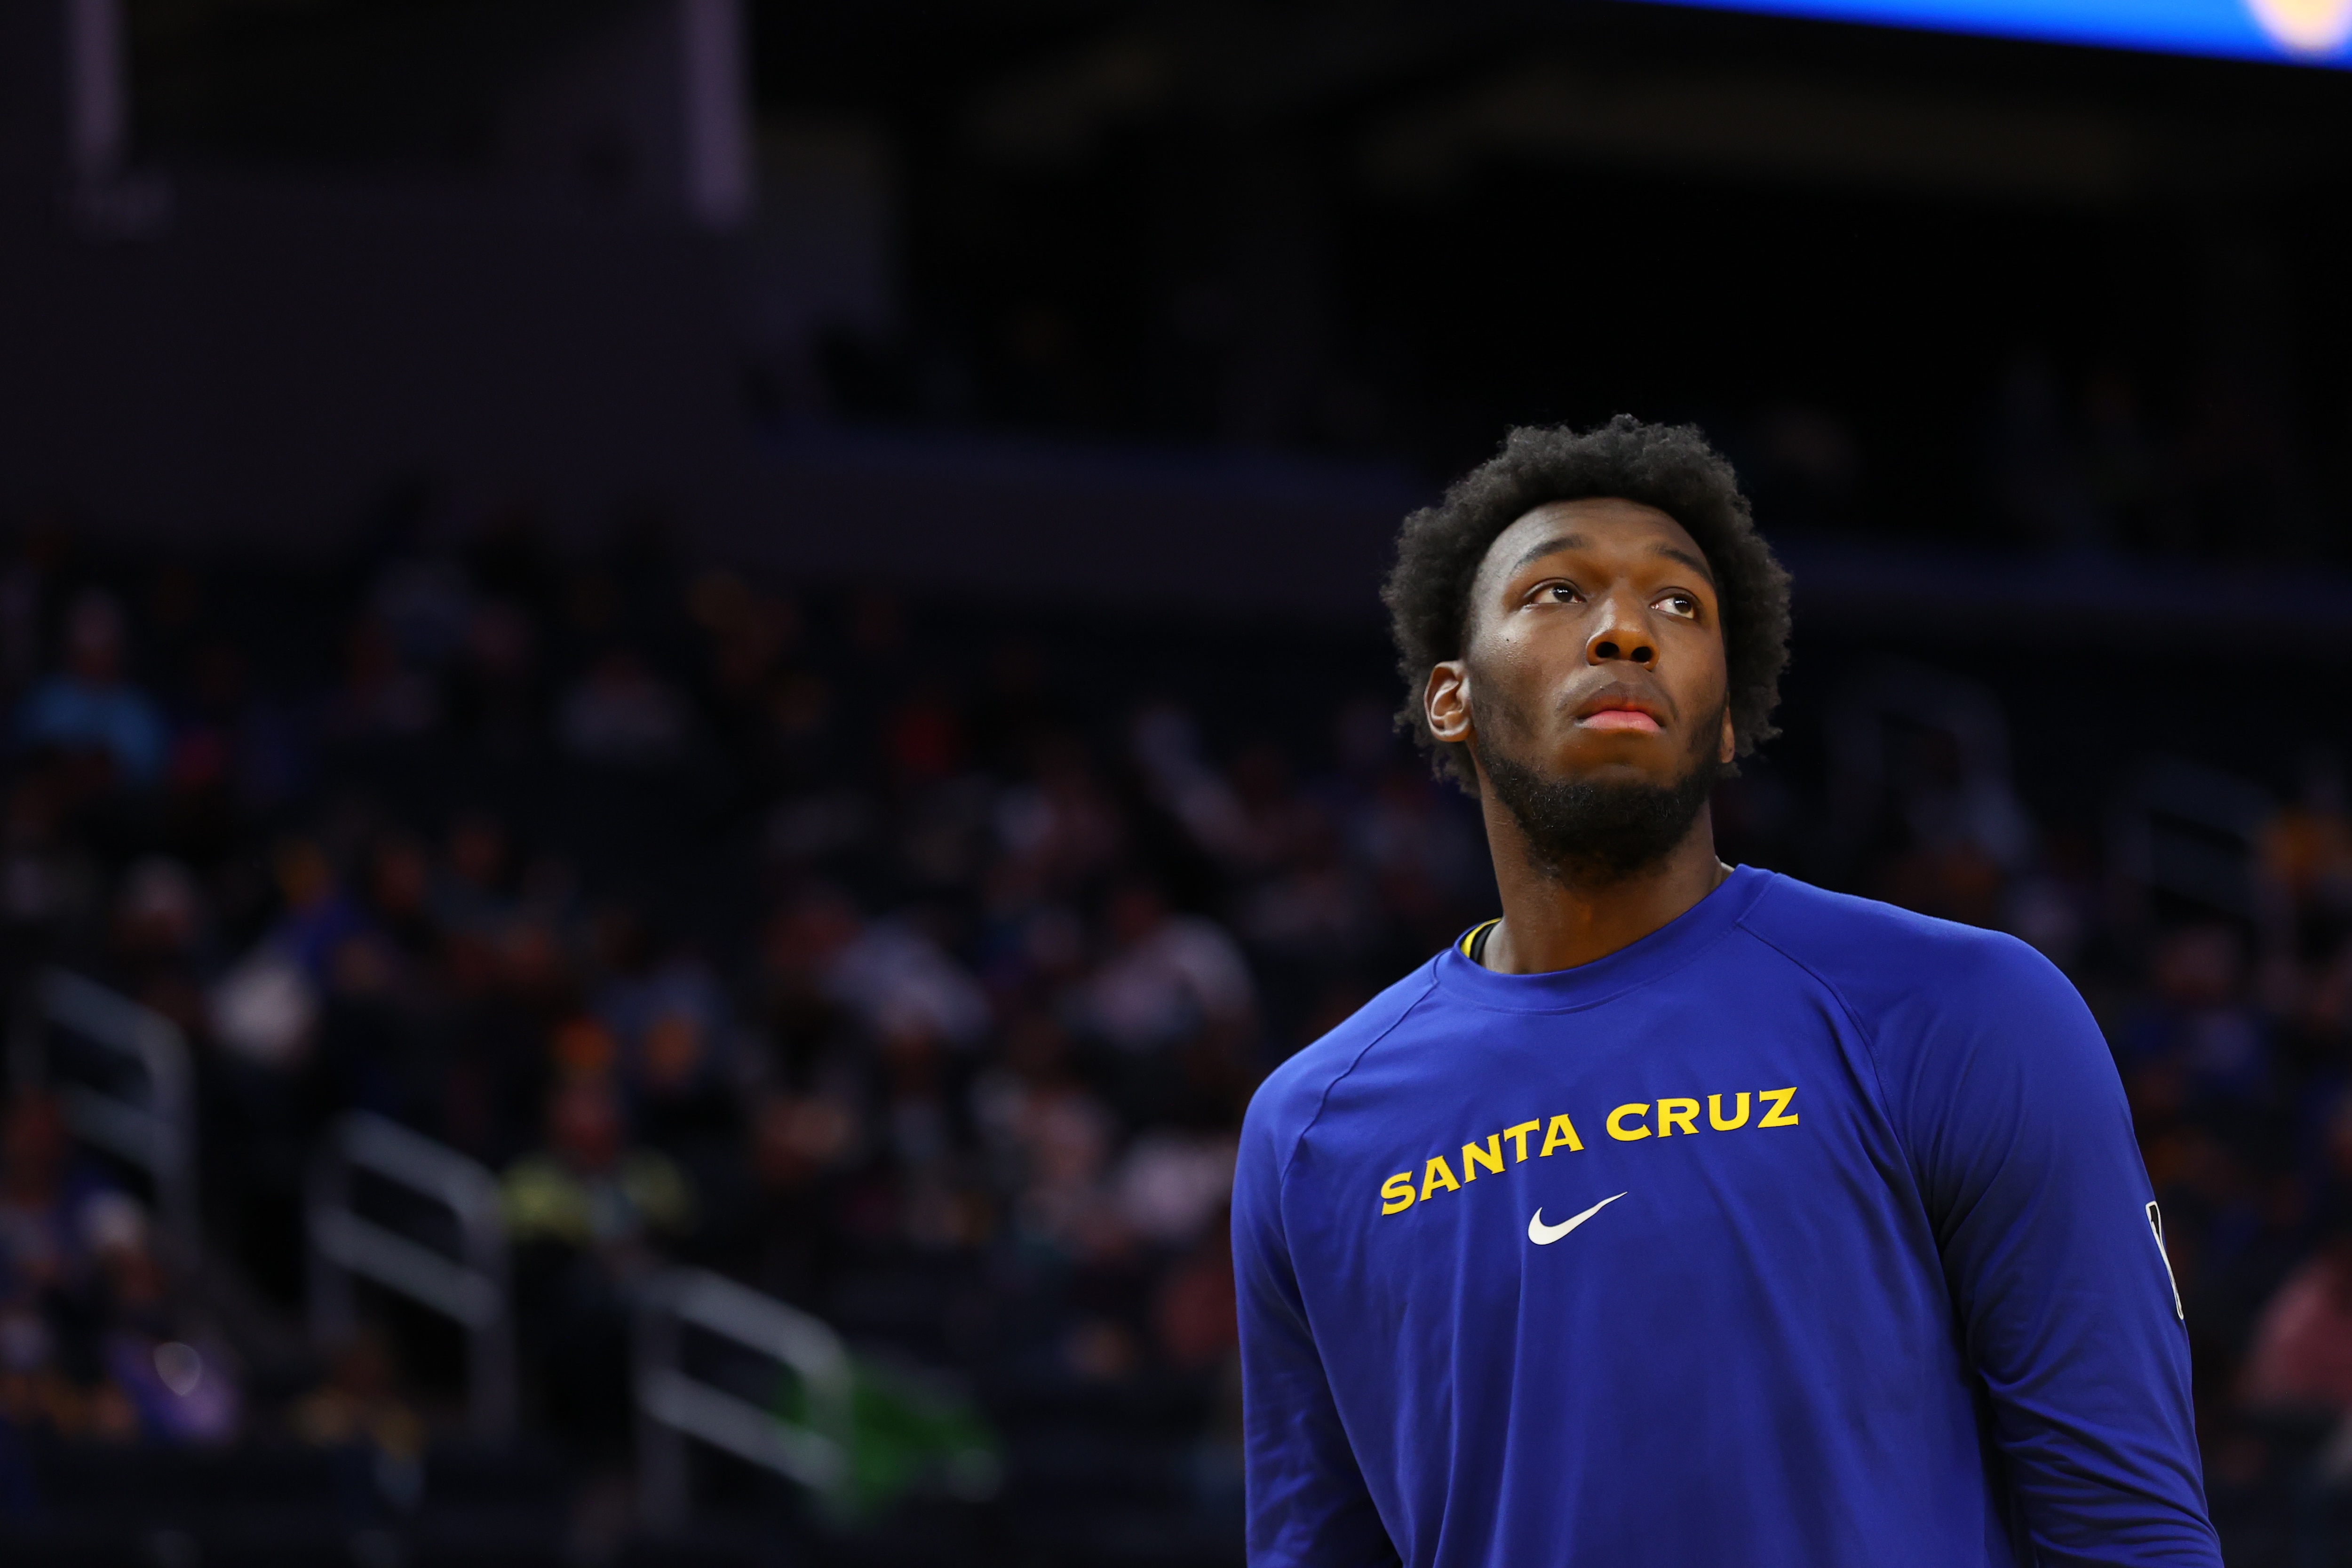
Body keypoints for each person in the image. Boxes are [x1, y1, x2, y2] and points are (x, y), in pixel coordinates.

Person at [1231, 417, 2218, 1567]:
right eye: (1555, 592)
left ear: (1731, 713)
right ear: (1449, 695)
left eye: (1679, 604)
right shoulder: (1309, 1128)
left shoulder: (1964, 1009)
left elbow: (2130, 1531)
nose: (1625, 631)